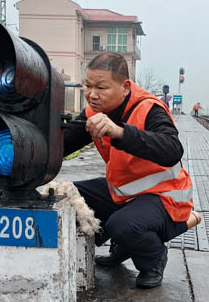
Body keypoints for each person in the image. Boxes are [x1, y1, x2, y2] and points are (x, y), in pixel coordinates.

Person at [63, 52, 198, 289]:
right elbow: (64, 143)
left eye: (101, 87)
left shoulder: (149, 109)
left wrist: (120, 132)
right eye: (88, 86)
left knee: (123, 225)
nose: (92, 95)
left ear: (125, 87)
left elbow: (172, 149)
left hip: (166, 198)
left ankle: (153, 258)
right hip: (126, 193)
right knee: (70, 198)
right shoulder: (95, 111)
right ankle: (122, 247)